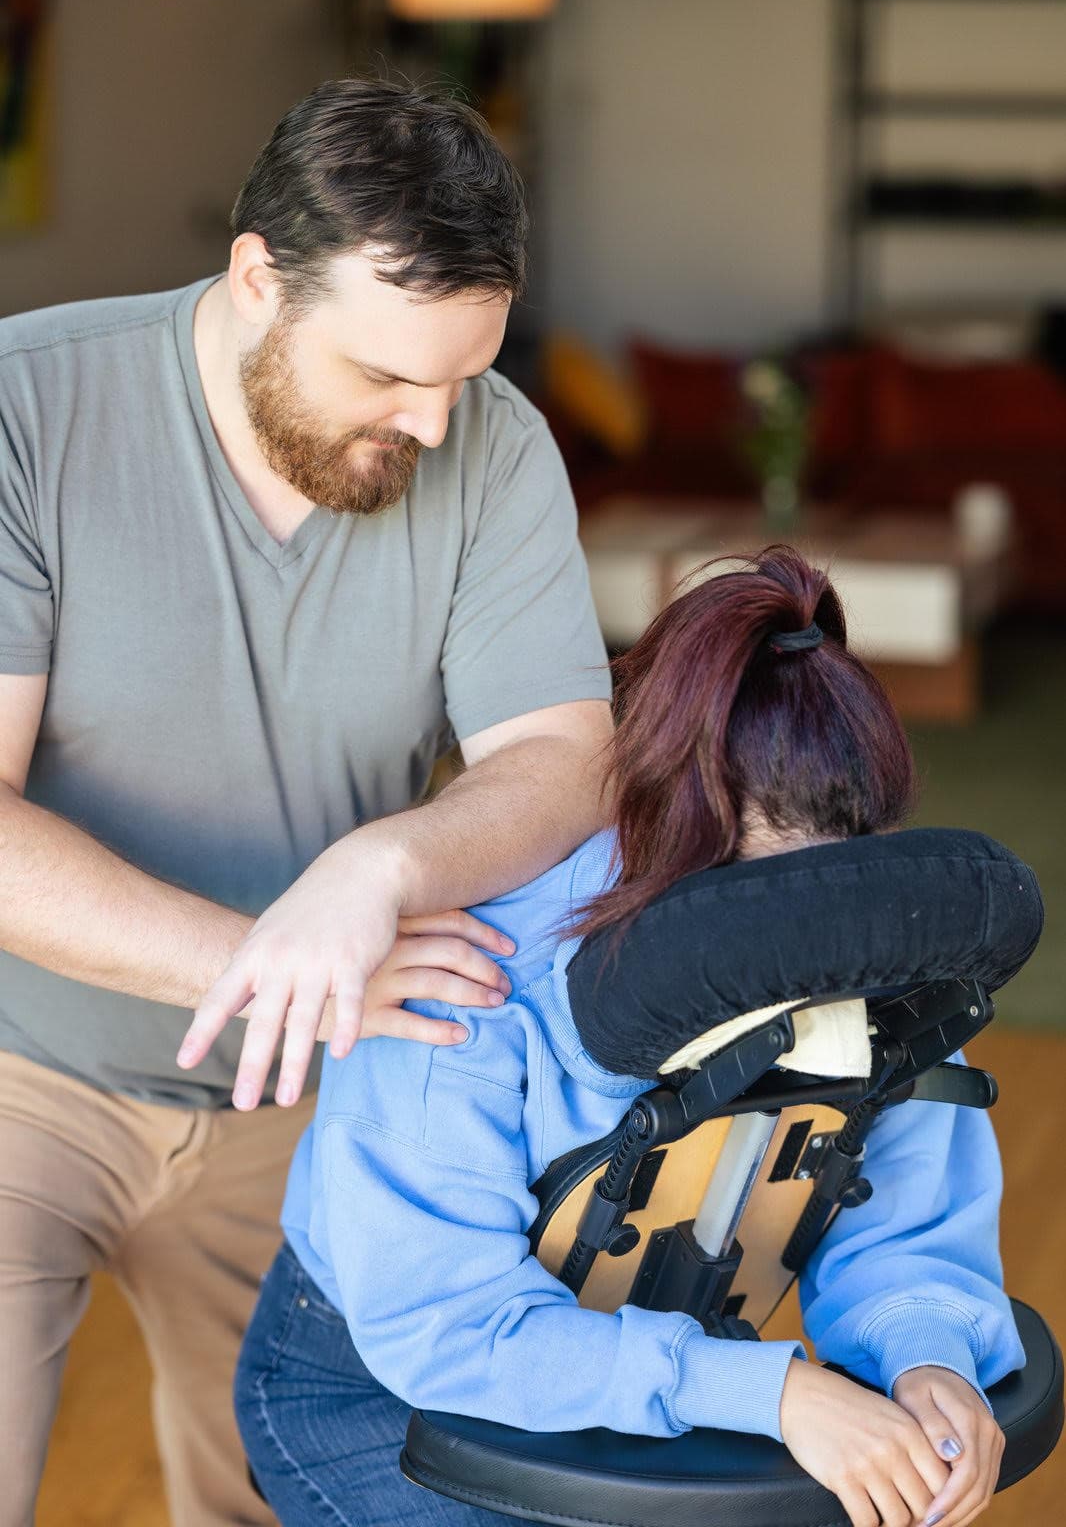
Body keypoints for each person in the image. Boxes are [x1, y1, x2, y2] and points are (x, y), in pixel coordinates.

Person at [0, 78, 613, 1526]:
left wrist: (375, 869)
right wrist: (275, 960)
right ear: (258, 280)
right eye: (392, 376)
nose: (438, 422)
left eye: (465, 373)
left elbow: (563, 760)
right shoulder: (26, 409)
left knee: (297, 1502)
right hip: (19, 1067)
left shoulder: (495, 449)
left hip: (318, 1108)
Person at [236, 547, 1022, 1527]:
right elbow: (450, 1323)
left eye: (832, 898)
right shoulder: (473, 977)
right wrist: (771, 1392)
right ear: (667, 830)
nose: (811, 961)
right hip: (390, 1381)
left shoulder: (869, 945)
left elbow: (901, 1233)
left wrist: (927, 1352)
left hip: (662, 1360)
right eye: (761, 916)